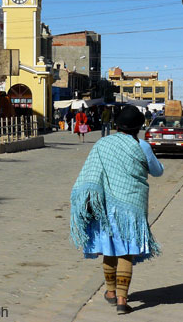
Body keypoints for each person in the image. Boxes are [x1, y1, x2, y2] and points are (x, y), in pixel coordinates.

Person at [70, 105, 164, 315]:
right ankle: (122, 299)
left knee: (110, 248)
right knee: (126, 252)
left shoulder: (103, 144)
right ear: (138, 127)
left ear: (117, 125)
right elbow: (157, 171)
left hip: (107, 207)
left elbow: (91, 171)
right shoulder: (142, 146)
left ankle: (110, 292)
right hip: (131, 208)